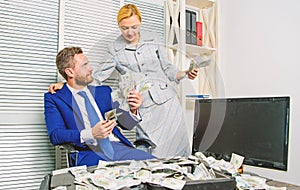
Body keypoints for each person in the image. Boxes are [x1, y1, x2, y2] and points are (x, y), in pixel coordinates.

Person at [48, 4, 199, 158]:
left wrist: (185, 73)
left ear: (140, 22)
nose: (130, 32)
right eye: (124, 28)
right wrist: (68, 84)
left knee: (179, 151)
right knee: (154, 155)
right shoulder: (114, 49)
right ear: (119, 26)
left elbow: (168, 69)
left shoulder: (154, 38)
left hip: (168, 101)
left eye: (134, 27)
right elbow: (97, 77)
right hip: (142, 105)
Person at [44, 46, 155, 167]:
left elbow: (125, 124)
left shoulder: (103, 92)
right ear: (70, 72)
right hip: (89, 153)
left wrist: (133, 110)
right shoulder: (55, 98)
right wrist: (91, 133)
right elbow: (56, 135)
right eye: (84, 65)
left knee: (158, 167)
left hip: (120, 148)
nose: (91, 69)